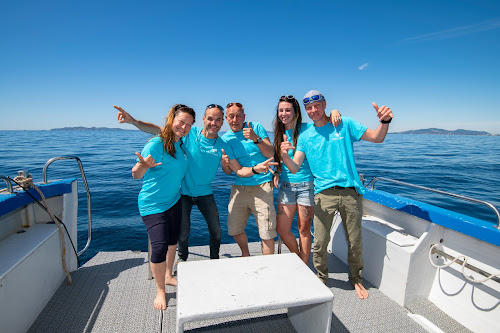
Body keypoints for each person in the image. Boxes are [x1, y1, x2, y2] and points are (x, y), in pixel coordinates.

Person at [281, 90, 393, 300]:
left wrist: (385, 121)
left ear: (324, 105)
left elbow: (377, 138)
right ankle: (321, 278)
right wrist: (284, 155)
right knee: (320, 241)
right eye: (309, 108)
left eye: (317, 106)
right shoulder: (305, 137)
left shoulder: (344, 124)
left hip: (351, 192)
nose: (313, 111)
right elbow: (295, 167)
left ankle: (356, 279)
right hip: (323, 194)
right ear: (305, 110)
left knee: (355, 240)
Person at [116, 104, 234, 262]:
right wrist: (134, 121)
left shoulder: (223, 145)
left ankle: (214, 260)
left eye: (218, 120)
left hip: (205, 193)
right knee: (183, 233)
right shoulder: (188, 132)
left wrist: (226, 165)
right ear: (204, 119)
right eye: (210, 118)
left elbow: (228, 172)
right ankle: (183, 260)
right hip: (182, 194)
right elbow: (157, 131)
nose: (214, 123)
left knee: (216, 230)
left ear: (222, 122)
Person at [132, 104, 195, 310]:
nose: (184, 127)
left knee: (172, 241)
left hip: (173, 200)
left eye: (188, 124)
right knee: (158, 247)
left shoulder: (181, 143)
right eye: (181, 122)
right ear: (172, 120)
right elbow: (136, 174)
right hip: (152, 204)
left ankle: (168, 275)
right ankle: (161, 289)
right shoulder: (155, 144)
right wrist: (143, 165)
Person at [272, 95, 341, 264]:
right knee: (281, 229)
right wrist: (276, 172)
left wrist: (334, 112)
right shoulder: (279, 133)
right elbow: (280, 158)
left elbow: (325, 124)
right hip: (286, 185)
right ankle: (299, 258)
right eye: (281, 110)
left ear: (296, 113)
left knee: (303, 229)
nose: (284, 113)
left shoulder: (308, 129)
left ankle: (303, 264)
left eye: (288, 110)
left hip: (307, 185)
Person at [221, 102, 278, 257]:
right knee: (234, 229)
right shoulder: (225, 140)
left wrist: (255, 138)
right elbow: (230, 171)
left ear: (244, 117)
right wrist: (224, 163)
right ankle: (245, 254)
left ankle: (268, 266)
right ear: (226, 118)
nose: (235, 120)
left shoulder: (256, 127)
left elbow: (270, 153)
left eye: (238, 116)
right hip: (240, 187)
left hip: (263, 186)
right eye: (231, 116)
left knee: (266, 233)